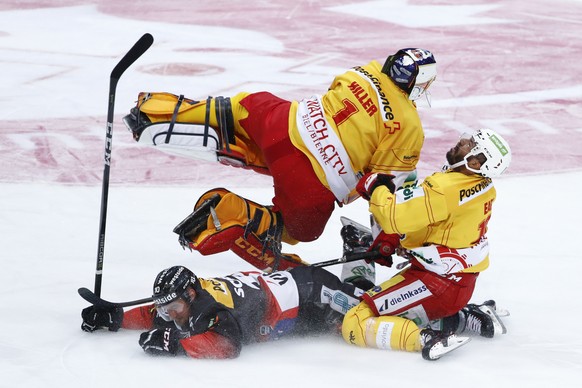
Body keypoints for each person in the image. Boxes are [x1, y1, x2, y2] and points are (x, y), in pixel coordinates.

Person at [123, 48, 437, 271]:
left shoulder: (365, 71)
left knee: (241, 106)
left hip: (277, 120)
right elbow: (383, 189)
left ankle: (155, 110)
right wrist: (388, 237)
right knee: (302, 230)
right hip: (309, 180)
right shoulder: (409, 126)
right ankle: (233, 211)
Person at [340, 128, 512, 360]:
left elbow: (392, 217)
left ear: (476, 161)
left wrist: (375, 187)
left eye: (470, 144)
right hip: (456, 282)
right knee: (387, 308)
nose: (461, 141)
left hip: (438, 283)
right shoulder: (484, 186)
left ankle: (426, 338)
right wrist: (405, 243)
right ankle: (462, 317)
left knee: (355, 322)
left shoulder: (446, 188)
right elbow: (441, 226)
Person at [81, 265, 366, 359]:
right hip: (294, 314)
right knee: (333, 327)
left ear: (190, 295)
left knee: (360, 323)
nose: (170, 317)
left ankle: (368, 275)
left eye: (174, 309)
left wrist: (173, 345)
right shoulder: (184, 302)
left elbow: (229, 346)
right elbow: (153, 315)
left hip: (312, 294)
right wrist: (114, 317)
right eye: (165, 310)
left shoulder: (208, 308)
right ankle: (360, 265)